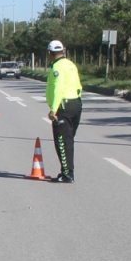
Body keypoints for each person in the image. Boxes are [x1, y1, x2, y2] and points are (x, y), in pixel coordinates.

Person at [45, 40, 83, 183]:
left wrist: (53, 110)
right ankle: (67, 172)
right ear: (63, 50)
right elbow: (78, 85)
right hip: (76, 103)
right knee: (69, 140)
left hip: (64, 106)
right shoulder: (70, 64)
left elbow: (58, 89)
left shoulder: (57, 68)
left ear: (49, 53)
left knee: (62, 141)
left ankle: (67, 174)